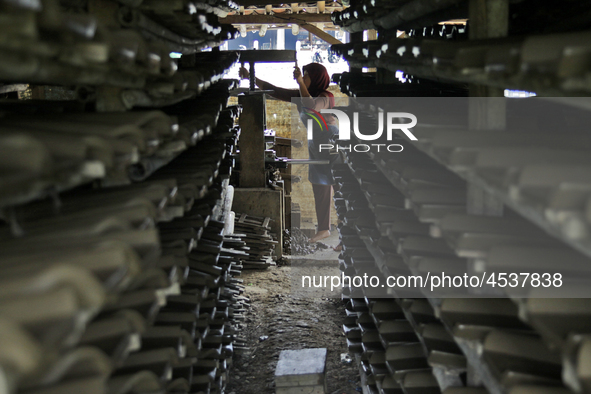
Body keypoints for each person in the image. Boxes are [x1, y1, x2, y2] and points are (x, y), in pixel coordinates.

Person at [238, 62, 337, 243]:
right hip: (316, 142)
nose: (303, 77)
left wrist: (300, 83)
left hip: (331, 141)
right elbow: (273, 90)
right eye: (303, 75)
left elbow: (311, 106)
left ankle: (346, 237)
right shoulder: (300, 94)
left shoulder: (326, 96)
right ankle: (324, 229)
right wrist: (249, 77)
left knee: (340, 186)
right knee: (319, 185)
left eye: (306, 75)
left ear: (316, 78)